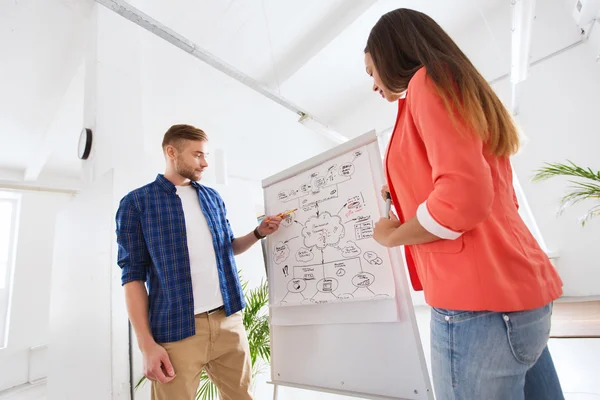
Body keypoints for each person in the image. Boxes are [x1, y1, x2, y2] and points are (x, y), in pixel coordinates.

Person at [364, 8, 564, 400]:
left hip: (477, 308)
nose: (373, 84)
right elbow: (482, 193)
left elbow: (463, 197)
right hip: (519, 294)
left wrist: (393, 235)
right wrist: (402, 195)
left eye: (371, 71)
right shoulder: (460, 87)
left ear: (393, 53)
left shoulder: (427, 82)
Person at [115, 124, 282, 400]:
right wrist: (146, 346)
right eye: (197, 155)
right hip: (176, 331)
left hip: (228, 321)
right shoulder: (136, 203)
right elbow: (132, 277)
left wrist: (257, 233)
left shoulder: (212, 198)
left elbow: (227, 249)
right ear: (171, 152)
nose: (205, 163)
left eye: (206, 155)